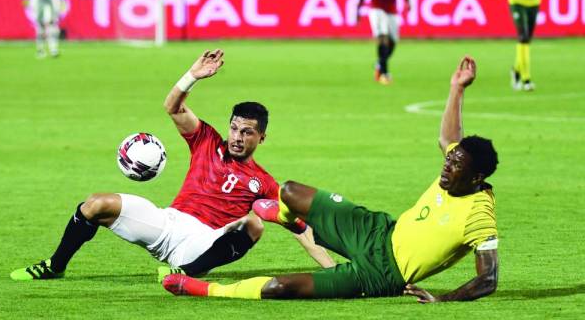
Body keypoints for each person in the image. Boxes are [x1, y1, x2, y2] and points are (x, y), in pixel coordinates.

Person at [163, 56, 500, 302]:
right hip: (378, 230)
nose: (446, 165)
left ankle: (200, 287)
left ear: (477, 177)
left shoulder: (479, 215)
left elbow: (489, 278)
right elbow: (449, 138)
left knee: (281, 288)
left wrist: (443, 300)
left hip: (383, 274)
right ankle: (280, 212)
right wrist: (457, 88)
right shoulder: (458, 167)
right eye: (449, 158)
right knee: (291, 191)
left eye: (456, 164)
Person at [10, 49, 334, 282]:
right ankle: (56, 265)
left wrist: (335, 272)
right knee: (95, 204)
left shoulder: (263, 182)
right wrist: (192, 76)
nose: (237, 136)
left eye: (246, 132)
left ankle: (186, 275)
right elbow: (173, 107)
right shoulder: (206, 140)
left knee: (254, 225)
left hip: (201, 244)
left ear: (261, 138)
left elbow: (301, 230)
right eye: (234, 127)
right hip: (167, 224)